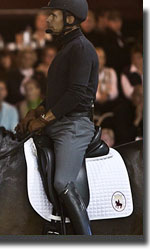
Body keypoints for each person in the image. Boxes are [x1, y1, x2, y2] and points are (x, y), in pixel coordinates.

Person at [16, 0, 98, 235]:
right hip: (59, 122)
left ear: (70, 19)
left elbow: (75, 94)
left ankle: (86, 237)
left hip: (74, 125)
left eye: (53, 15)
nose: (47, 19)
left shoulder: (82, 49)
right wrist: (36, 111)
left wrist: (43, 119)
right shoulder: (67, 49)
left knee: (62, 182)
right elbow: (57, 95)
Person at [94, 47, 118, 114]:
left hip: (109, 102)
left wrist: (107, 95)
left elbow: (115, 91)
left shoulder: (111, 72)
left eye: (101, 58)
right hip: (93, 104)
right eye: (97, 57)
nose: (99, 60)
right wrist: (99, 97)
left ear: (105, 60)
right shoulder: (88, 74)